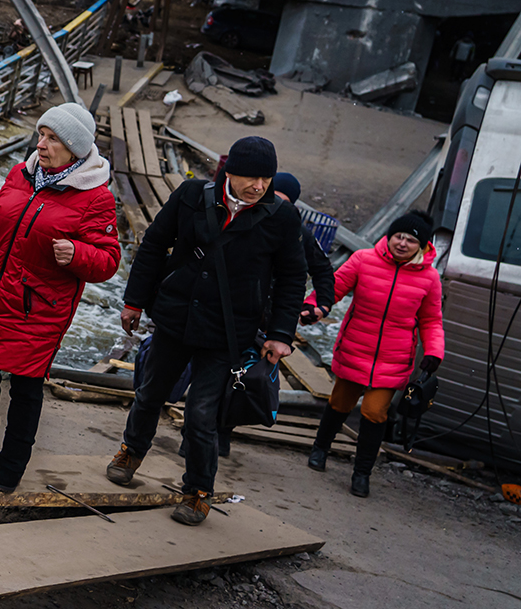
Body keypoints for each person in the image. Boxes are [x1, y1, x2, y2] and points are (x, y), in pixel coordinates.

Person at [106, 136, 307, 525]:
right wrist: (134, 300)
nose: (260, 186)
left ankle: (198, 490)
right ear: (229, 171)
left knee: (202, 414)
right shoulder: (192, 195)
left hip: (229, 332)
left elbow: (292, 279)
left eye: (266, 178)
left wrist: (280, 335)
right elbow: (153, 245)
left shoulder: (280, 217)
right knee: (149, 393)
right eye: (252, 177)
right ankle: (131, 451)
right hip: (176, 316)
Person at [0, 103, 119, 489]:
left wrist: (78, 254)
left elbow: (108, 261)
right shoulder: (21, 174)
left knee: (25, 388)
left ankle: (12, 466)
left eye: (52, 138)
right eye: (40, 135)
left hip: (38, 310)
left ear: (74, 148)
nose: (41, 144)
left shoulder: (96, 197)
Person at [306, 211, 444, 497]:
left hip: (393, 359)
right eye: (398, 236)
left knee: (373, 412)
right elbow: (333, 288)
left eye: (410, 240)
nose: (402, 243)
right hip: (355, 347)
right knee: (340, 403)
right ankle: (320, 449)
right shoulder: (363, 260)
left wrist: (434, 351)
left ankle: (362, 473)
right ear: (389, 236)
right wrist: (313, 306)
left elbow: (431, 320)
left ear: (422, 246)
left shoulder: (429, 278)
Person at [271, 172, 336, 325]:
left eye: (283, 202)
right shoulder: (244, 220)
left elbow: (323, 270)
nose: (275, 206)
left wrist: (323, 304)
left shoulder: (299, 234)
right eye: (273, 199)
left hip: (275, 312)